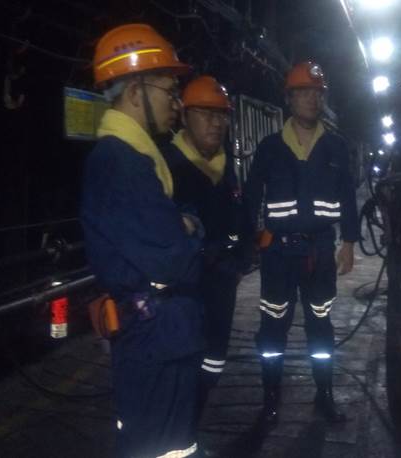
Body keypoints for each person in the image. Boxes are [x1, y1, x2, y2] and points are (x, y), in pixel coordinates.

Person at [80, 23, 205, 457]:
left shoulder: (138, 158)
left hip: (161, 333)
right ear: (136, 93)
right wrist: (191, 230)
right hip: (154, 337)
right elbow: (176, 261)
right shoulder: (122, 163)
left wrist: (184, 228)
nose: (176, 103)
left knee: (169, 446)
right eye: (169, 90)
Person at [244, 61, 359, 425]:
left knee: (321, 322)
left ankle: (324, 395)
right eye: (304, 92)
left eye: (318, 93)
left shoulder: (336, 147)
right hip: (277, 252)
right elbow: (251, 197)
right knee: (273, 324)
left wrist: (349, 242)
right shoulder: (270, 147)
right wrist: (248, 241)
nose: (312, 99)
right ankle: (270, 400)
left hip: (320, 249)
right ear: (289, 98)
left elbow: (348, 197)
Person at [160, 75, 253, 428]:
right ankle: (177, 435)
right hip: (182, 292)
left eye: (222, 115)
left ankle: (191, 428)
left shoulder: (225, 167)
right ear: (185, 116)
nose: (216, 122)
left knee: (213, 360)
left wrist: (241, 261)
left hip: (221, 284)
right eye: (206, 113)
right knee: (178, 369)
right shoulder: (166, 166)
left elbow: (242, 217)